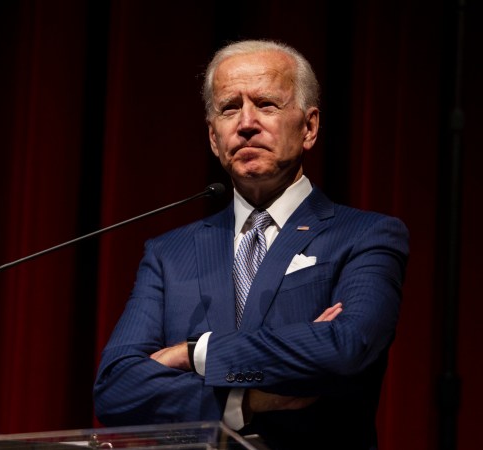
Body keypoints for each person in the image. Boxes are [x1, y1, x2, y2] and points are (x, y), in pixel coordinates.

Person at [93, 40, 409, 450]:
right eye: (229, 108)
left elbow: (345, 347)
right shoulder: (169, 254)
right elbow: (116, 388)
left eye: (266, 104)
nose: (245, 123)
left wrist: (195, 354)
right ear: (213, 137)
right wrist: (243, 399)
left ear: (309, 127)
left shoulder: (365, 235)